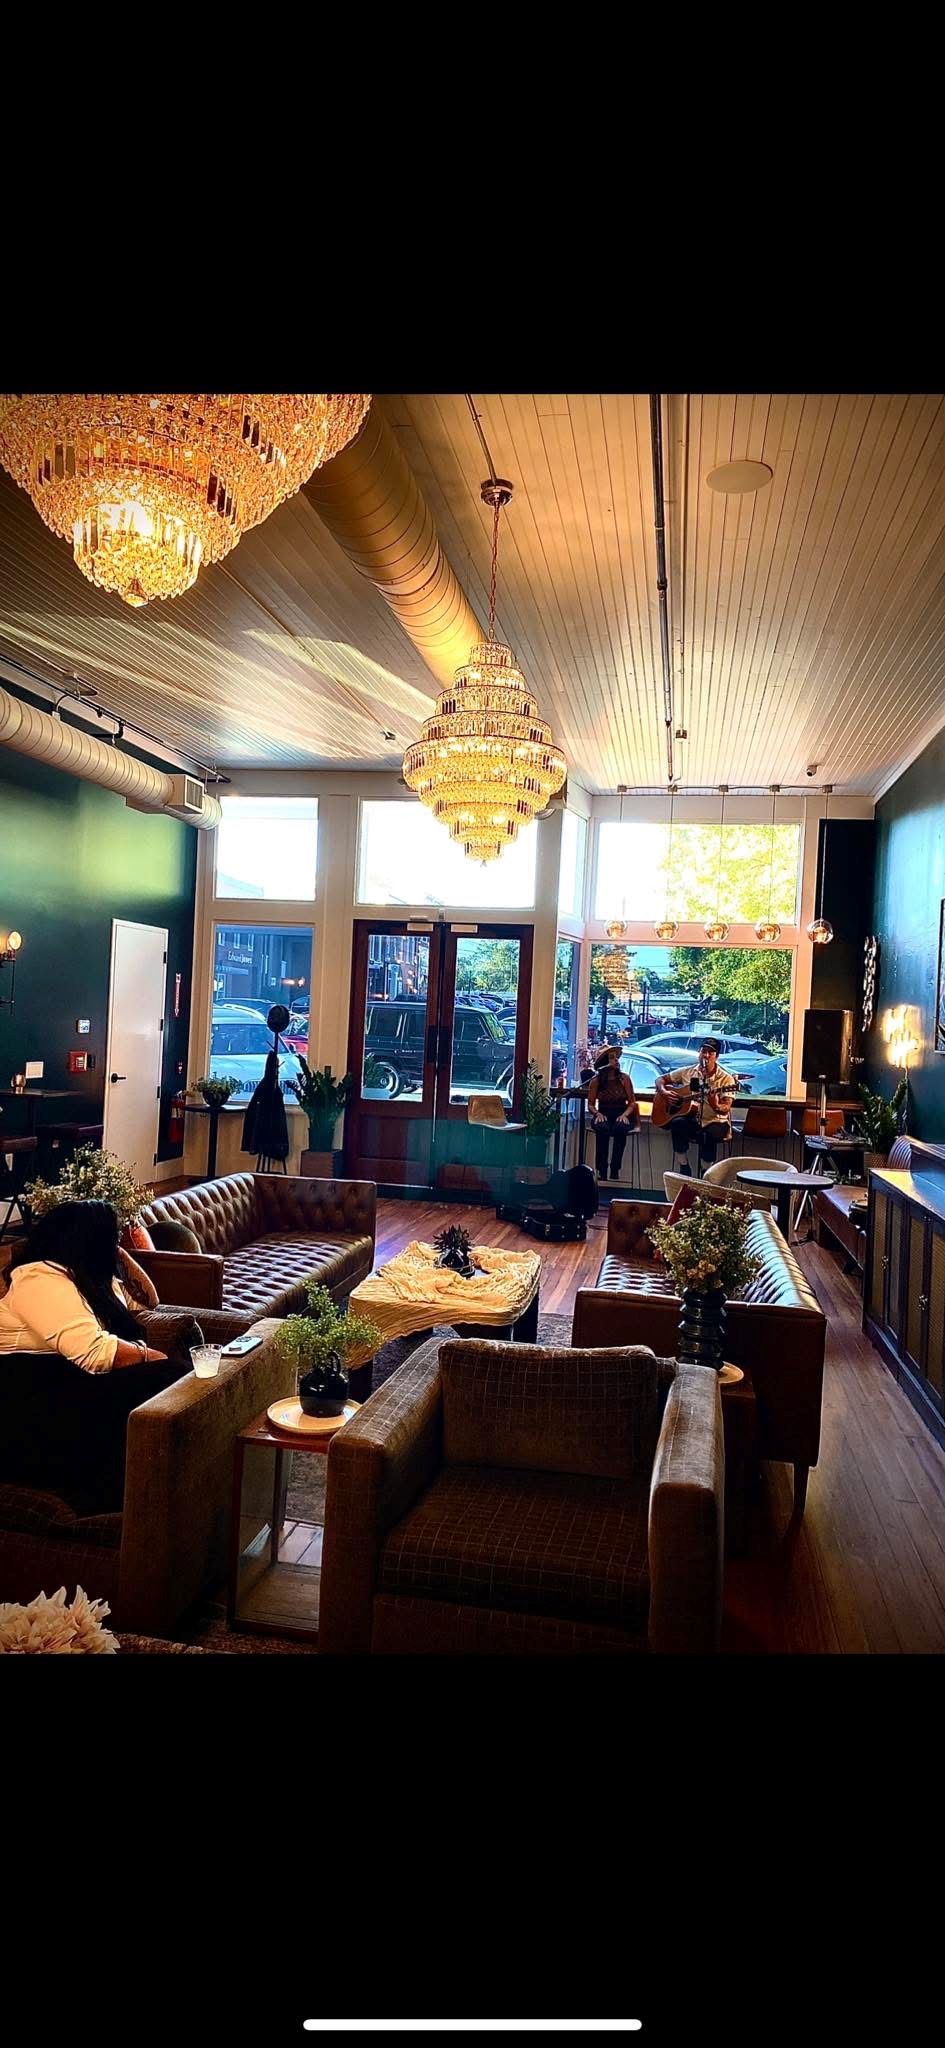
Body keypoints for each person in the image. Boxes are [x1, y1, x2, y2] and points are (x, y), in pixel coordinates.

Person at [0, 1199, 168, 1371]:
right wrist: (153, 1357)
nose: (119, 1238)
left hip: (68, 1367)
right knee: (169, 1370)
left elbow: (148, 1303)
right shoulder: (38, 1278)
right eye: (114, 1235)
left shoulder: (91, 1274)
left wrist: (118, 1252)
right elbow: (94, 1354)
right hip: (28, 1372)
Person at [656, 1037, 736, 1174]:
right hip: (692, 1119)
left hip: (715, 1121)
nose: (706, 1055)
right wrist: (664, 1092)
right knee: (677, 1123)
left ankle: (706, 1172)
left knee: (709, 1134)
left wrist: (715, 1105)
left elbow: (725, 1108)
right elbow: (660, 1079)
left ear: (716, 1057)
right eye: (703, 1051)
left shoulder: (725, 1079)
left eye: (710, 1053)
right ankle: (684, 1166)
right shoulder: (688, 1072)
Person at [586, 1045, 640, 1181]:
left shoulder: (624, 1078)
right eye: (612, 1058)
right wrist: (597, 1113)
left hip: (621, 1112)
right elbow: (590, 1104)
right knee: (602, 1128)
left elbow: (632, 1102)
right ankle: (602, 1169)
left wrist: (625, 1115)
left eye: (616, 1058)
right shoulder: (596, 1081)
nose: (616, 1060)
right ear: (605, 1062)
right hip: (603, 1112)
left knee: (620, 1128)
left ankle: (615, 1168)